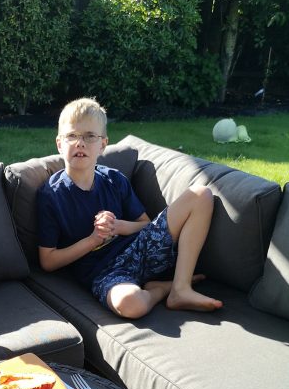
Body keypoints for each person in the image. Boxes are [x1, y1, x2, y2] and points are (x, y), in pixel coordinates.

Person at [37, 98, 223, 318]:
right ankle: (161, 290)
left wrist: (118, 226)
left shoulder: (114, 179)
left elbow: (145, 224)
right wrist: (93, 240)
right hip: (105, 273)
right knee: (131, 304)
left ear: (103, 144)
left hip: (139, 248)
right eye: (72, 136)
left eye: (90, 136)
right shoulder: (51, 196)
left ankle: (181, 288)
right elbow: (48, 261)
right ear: (59, 144)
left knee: (201, 195)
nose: (80, 143)